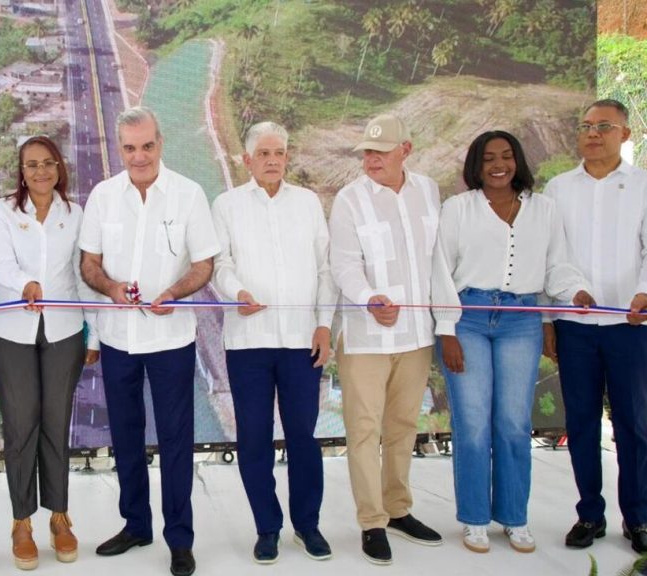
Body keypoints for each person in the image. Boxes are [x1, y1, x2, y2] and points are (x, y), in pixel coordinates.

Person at [433, 131, 593, 554]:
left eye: (506, 156)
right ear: (477, 165)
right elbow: (440, 272)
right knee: (472, 424)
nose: (498, 164)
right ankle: (473, 518)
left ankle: (514, 517)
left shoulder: (544, 210)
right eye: (489, 158)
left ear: (518, 161)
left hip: (521, 321)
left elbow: (556, 266)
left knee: (513, 424)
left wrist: (574, 292)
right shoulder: (458, 208)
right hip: (467, 318)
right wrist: (446, 329)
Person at [79, 106, 219, 576]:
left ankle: (179, 539)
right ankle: (135, 524)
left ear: (161, 144)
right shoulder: (102, 196)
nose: (139, 157)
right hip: (119, 339)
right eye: (130, 148)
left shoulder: (189, 195)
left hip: (171, 339)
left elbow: (204, 265)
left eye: (147, 146)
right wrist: (112, 288)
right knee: (125, 438)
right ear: (120, 149)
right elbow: (89, 265)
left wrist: (175, 292)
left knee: (177, 440)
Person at [211, 121, 336, 564]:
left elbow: (325, 269)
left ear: (287, 157)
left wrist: (324, 326)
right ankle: (267, 527)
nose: (272, 160)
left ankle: (308, 524)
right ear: (246, 160)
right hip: (248, 342)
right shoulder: (226, 205)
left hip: (303, 342)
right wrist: (236, 292)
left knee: (303, 435)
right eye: (263, 153)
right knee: (254, 439)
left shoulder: (307, 203)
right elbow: (220, 264)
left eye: (279, 153)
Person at [328, 113, 445, 565]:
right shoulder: (349, 200)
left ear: (406, 151)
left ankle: (399, 510)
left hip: (416, 336)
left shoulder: (428, 191)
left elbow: (436, 260)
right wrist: (368, 298)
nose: (371, 159)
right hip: (365, 340)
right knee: (363, 431)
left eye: (380, 151)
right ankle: (371, 522)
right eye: (366, 152)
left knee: (402, 428)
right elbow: (343, 265)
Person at [0, 135, 100, 570]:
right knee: (21, 426)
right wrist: (27, 284)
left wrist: (94, 336)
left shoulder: (75, 213)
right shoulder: (3, 211)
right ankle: (21, 523)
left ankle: (59, 517)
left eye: (48, 163)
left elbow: (83, 275)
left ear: (59, 167)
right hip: (9, 333)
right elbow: (1, 265)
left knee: (56, 424)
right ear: (21, 170)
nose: (40, 172)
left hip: (65, 332)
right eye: (31, 165)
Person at [543, 99, 647, 555]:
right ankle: (589, 514)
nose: (592, 134)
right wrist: (573, 293)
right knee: (582, 423)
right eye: (585, 125)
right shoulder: (559, 188)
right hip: (577, 324)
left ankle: (639, 518)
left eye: (604, 126)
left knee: (634, 425)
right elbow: (553, 256)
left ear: (626, 135)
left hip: (630, 324)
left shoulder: (644, 185)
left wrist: (644, 292)